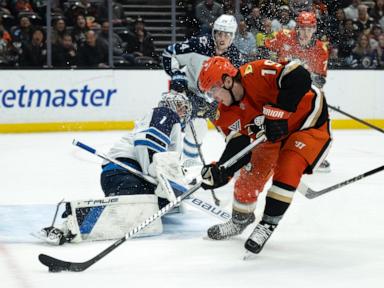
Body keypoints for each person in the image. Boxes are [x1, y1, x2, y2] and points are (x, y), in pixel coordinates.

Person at [197, 56, 331, 254]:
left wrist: (281, 112)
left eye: (213, 90)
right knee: (250, 174)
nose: (213, 97)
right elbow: (239, 148)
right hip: (272, 136)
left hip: (308, 124)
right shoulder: (224, 113)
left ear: (227, 81)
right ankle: (240, 219)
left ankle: (267, 224)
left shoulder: (257, 71)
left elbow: (300, 76)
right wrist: (221, 170)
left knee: (288, 169)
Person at [35, 91, 192, 245]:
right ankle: (71, 222)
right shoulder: (166, 114)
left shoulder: (164, 122)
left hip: (119, 174)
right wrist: (158, 177)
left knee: (156, 205)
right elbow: (147, 142)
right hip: (124, 172)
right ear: (171, 104)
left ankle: (78, 218)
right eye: (181, 107)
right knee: (131, 209)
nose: (183, 112)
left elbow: (164, 159)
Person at [162, 14, 243, 166]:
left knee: (234, 131)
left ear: (232, 36)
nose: (222, 38)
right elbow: (169, 53)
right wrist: (177, 74)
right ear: (213, 33)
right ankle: (188, 163)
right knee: (197, 126)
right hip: (192, 94)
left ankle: (239, 165)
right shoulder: (198, 45)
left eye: (227, 35)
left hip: (217, 100)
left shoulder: (235, 57)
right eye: (219, 33)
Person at [265, 11, 331, 172]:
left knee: (318, 117)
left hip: (302, 93)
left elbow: (321, 80)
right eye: (302, 28)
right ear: (297, 27)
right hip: (277, 87)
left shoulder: (320, 49)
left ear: (315, 29)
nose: (305, 33)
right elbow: (264, 50)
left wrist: (306, 81)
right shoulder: (283, 36)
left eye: (309, 29)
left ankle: (312, 153)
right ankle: (263, 152)